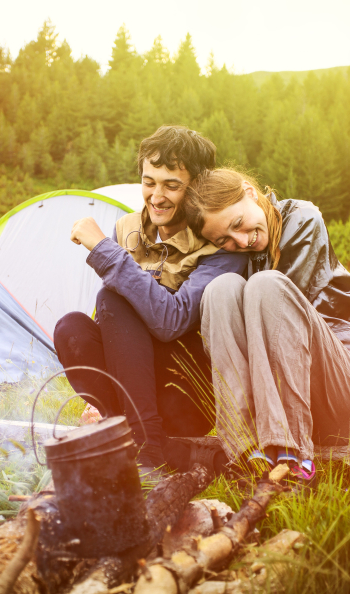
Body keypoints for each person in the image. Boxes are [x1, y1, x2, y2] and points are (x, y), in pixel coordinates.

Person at [53, 127, 247, 477]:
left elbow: (171, 321)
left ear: (198, 188)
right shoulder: (127, 229)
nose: (156, 197)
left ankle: (147, 453)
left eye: (171, 185)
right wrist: (97, 399)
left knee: (117, 295)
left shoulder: (222, 243)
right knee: (72, 328)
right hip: (137, 388)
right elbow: (110, 323)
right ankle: (131, 434)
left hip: (189, 393)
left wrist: (104, 251)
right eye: (149, 182)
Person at [184, 168, 350, 480]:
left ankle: (293, 460)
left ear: (250, 192)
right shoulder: (236, 252)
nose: (241, 241)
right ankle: (245, 455)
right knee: (220, 289)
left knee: (266, 285)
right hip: (272, 406)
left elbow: (278, 323)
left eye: (238, 224)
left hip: (341, 396)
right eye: (223, 240)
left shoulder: (302, 219)